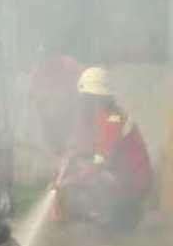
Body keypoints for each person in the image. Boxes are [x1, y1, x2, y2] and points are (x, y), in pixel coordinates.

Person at [54, 67, 153, 230]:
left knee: (91, 176)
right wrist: (74, 153)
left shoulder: (111, 119)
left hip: (132, 182)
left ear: (94, 97)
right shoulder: (106, 115)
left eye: (85, 97)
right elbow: (97, 147)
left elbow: (101, 162)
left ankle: (119, 211)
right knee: (83, 169)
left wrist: (70, 181)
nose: (82, 101)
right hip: (126, 178)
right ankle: (109, 211)